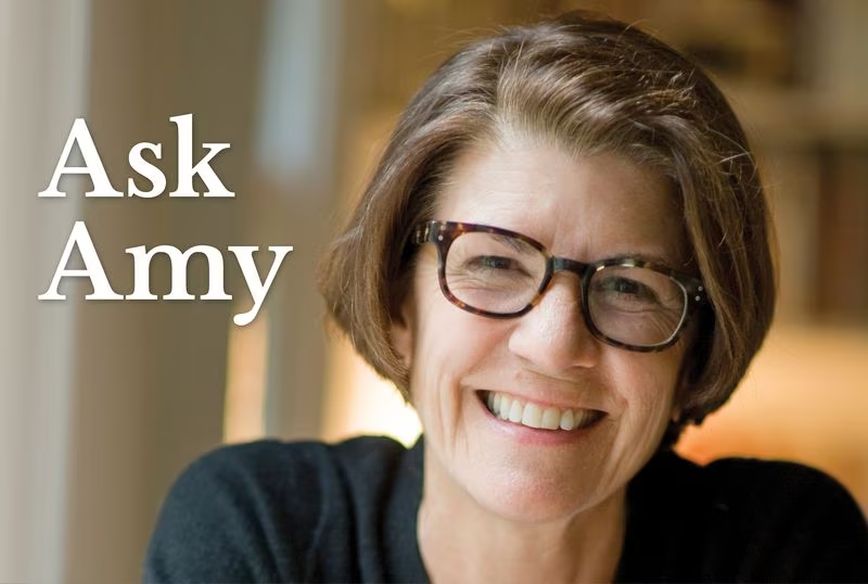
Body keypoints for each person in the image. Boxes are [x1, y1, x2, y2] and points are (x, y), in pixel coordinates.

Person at [144, 10, 868, 583]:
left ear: (695, 351)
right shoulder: (261, 531)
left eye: (628, 285)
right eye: (494, 262)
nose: (554, 344)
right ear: (399, 304)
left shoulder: (779, 549)